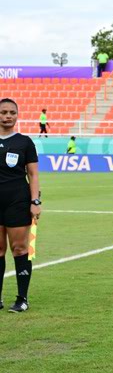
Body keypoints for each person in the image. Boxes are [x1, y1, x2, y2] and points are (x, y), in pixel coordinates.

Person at [0, 99, 41, 313]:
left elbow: (33, 174)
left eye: (12, 112)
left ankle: (22, 298)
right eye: (4, 112)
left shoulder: (25, 142)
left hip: (18, 201)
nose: (8, 116)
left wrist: (35, 201)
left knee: (19, 249)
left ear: (17, 115)